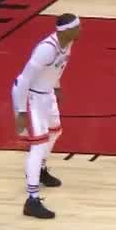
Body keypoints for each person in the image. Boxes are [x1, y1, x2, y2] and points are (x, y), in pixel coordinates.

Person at [11, 14, 82, 219]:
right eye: (78, 27)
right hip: (32, 97)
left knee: (56, 131)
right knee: (38, 145)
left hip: (47, 93)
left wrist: (56, 87)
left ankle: (40, 170)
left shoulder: (67, 43)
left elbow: (56, 68)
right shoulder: (46, 49)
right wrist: (20, 112)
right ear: (66, 31)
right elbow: (23, 80)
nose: (81, 30)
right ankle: (32, 200)